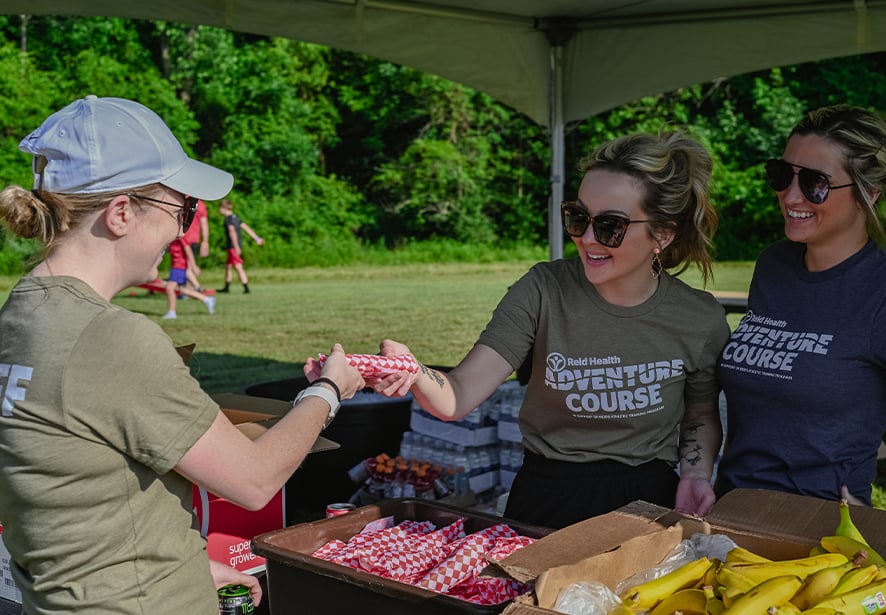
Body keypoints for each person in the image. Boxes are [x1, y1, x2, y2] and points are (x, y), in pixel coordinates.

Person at [0, 95, 364, 614]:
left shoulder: (18, 317)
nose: (183, 230)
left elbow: (66, 494)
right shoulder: (111, 338)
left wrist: (182, 566)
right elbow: (254, 480)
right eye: (183, 210)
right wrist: (326, 392)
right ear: (121, 212)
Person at [370, 131, 732, 529]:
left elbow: (699, 411)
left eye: (610, 226)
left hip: (647, 503)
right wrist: (414, 371)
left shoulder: (699, 318)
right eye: (578, 218)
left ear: (662, 233)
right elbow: (457, 396)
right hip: (547, 496)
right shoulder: (543, 290)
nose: (586, 239)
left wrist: (696, 474)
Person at [717, 105, 886, 506]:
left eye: (816, 182)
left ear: (870, 192)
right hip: (733, 509)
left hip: (823, 528)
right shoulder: (774, 264)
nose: (790, 195)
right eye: (782, 175)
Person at [162, 237, 217, 319]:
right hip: (177, 266)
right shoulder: (173, 237)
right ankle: (207, 300)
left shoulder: (180, 237)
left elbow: (188, 250)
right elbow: (172, 249)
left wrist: (194, 266)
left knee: (170, 288)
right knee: (181, 289)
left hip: (179, 267)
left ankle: (172, 313)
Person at [219, 198, 263, 294]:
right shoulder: (236, 217)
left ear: (223, 208)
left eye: (220, 208)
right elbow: (246, 228)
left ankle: (246, 288)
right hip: (236, 246)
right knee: (228, 266)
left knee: (238, 266)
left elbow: (232, 232)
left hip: (233, 247)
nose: (219, 211)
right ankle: (226, 287)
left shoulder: (228, 220)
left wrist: (236, 246)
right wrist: (257, 238)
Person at [184, 198, 210, 291]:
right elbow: (204, 224)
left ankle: (192, 288)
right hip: (194, 239)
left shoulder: (183, 200)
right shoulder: (201, 205)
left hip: (183, 237)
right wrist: (205, 242)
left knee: (184, 266)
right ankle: (189, 289)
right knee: (189, 265)